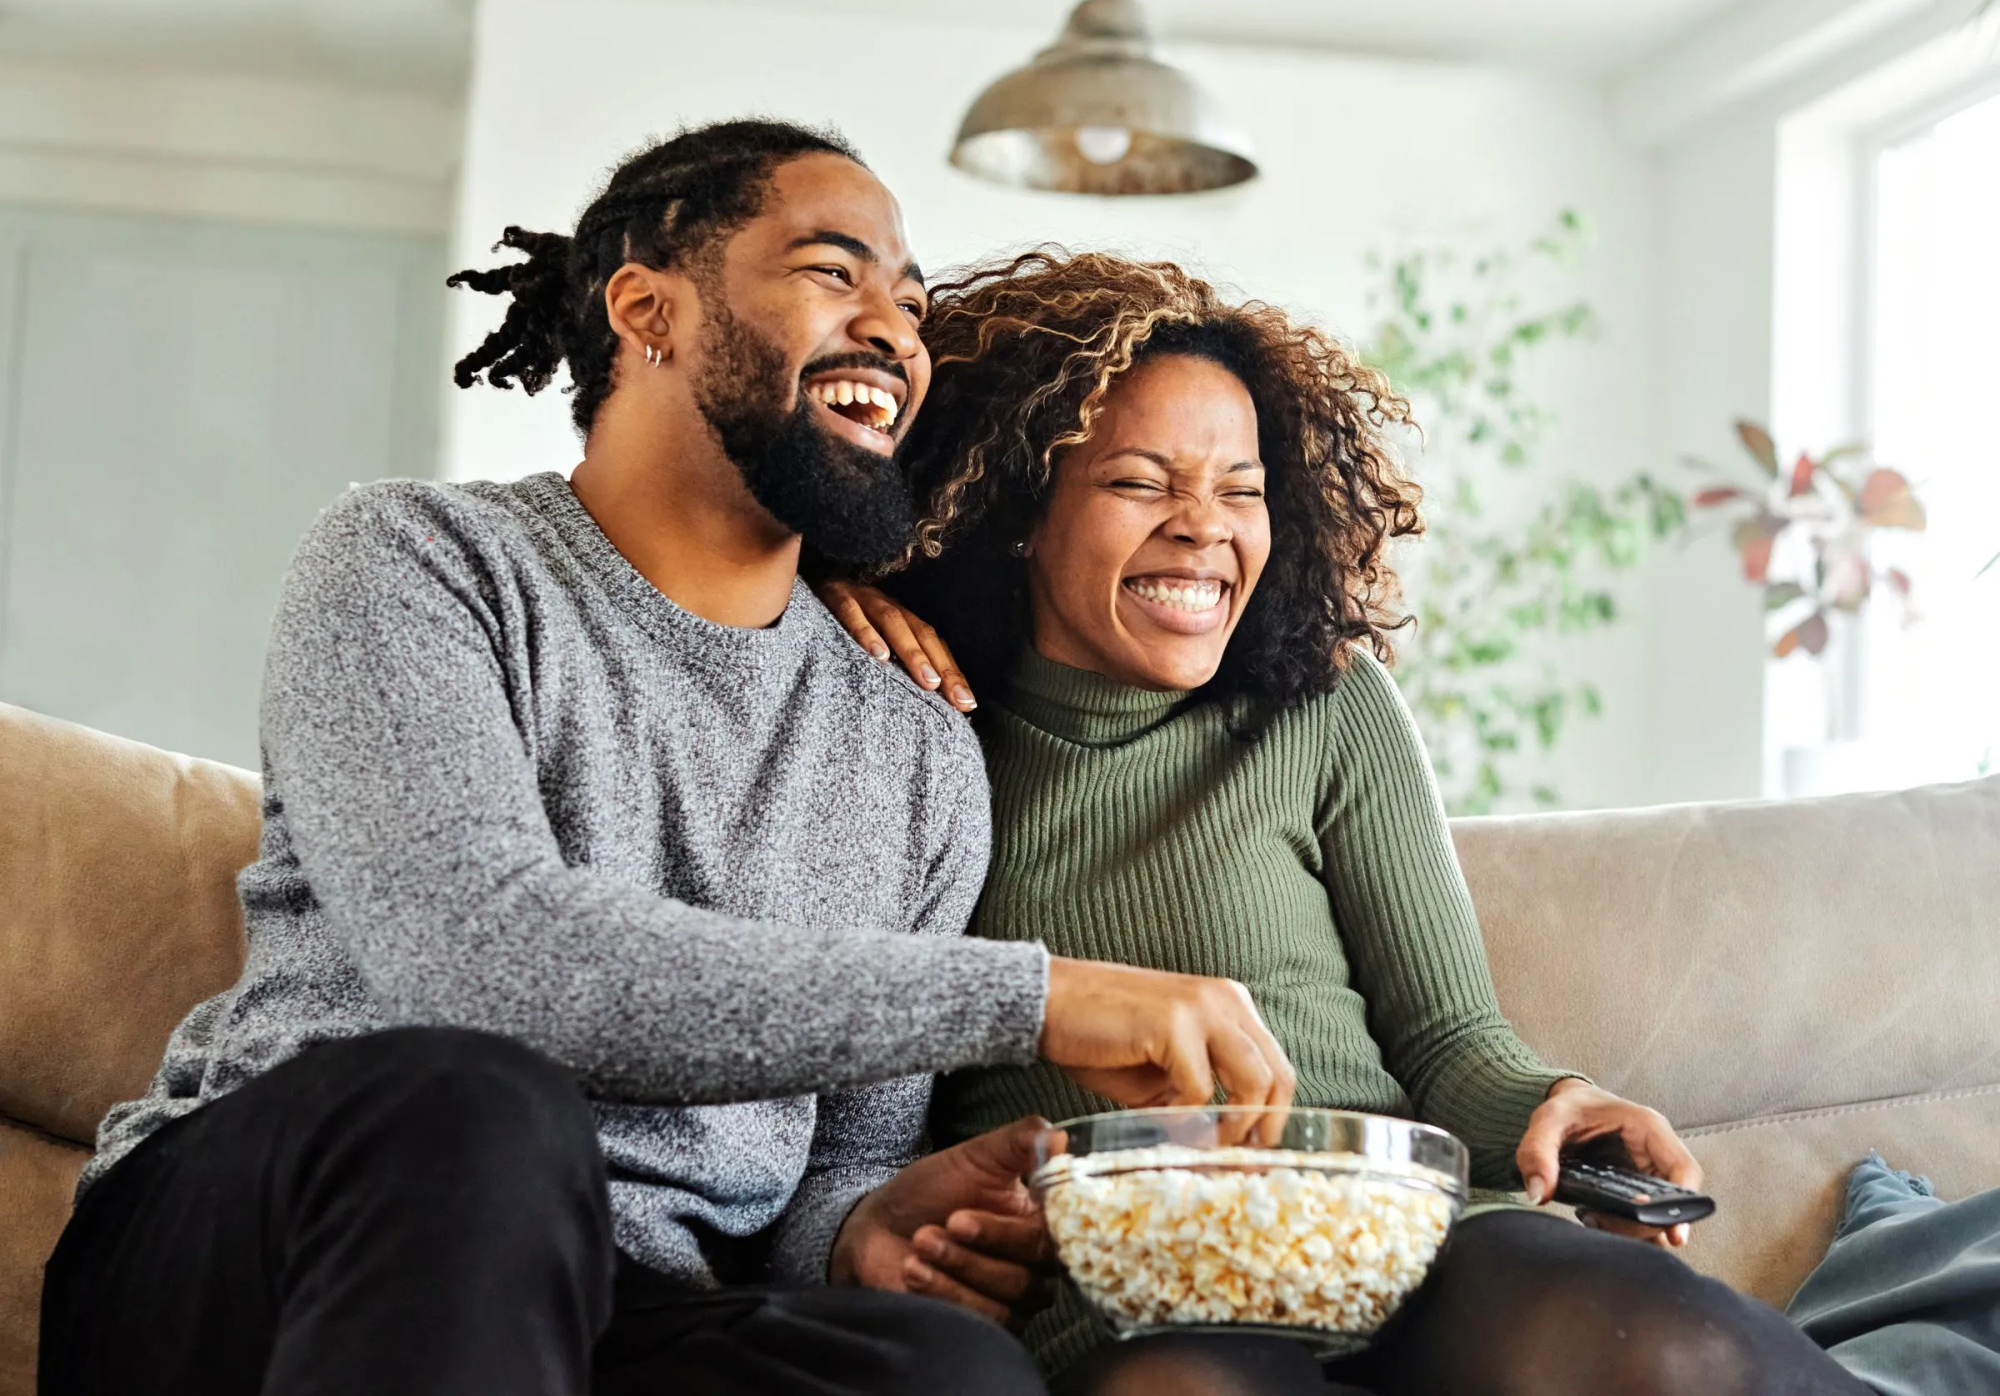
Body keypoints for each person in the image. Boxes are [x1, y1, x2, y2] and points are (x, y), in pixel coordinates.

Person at [36, 124, 1297, 1396]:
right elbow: (482, 959)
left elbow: (828, 1169)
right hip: (277, 1243)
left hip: (625, 1309)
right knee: (486, 1110)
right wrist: (1036, 996)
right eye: (832, 271)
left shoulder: (915, 744)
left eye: (909, 302)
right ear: (649, 309)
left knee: (944, 1371)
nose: (895, 331)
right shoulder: (421, 561)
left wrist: (864, 1228)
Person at [819, 248, 1873, 1395]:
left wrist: (1549, 1106)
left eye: (1239, 487)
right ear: (1019, 510)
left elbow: (1445, 1040)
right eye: (1137, 481)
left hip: (1402, 1233)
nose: (1200, 527)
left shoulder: (1322, 700)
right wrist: (823, 601)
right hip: (1129, 1291)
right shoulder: (915, 736)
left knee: (1664, 1342)